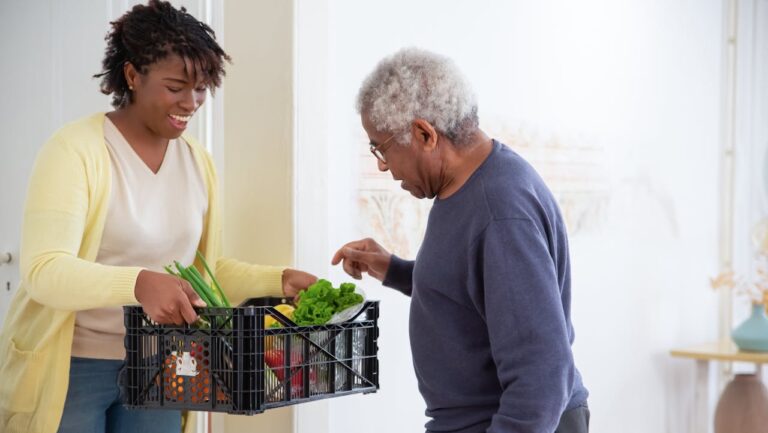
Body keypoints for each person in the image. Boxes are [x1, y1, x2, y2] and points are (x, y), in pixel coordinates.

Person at [0, 2, 316, 433]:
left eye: (202, 88)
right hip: (71, 365)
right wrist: (139, 283)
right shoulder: (75, 151)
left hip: (160, 363)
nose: (191, 102)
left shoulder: (197, 163)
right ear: (132, 76)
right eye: (176, 87)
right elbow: (44, 270)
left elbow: (202, 272)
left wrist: (278, 279)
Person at [332, 48, 589, 433]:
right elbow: (476, 286)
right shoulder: (470, 186)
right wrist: (394, 269)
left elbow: (542, 375)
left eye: (381, 149)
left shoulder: (499, 211)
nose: (383, 166)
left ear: (424, 134)